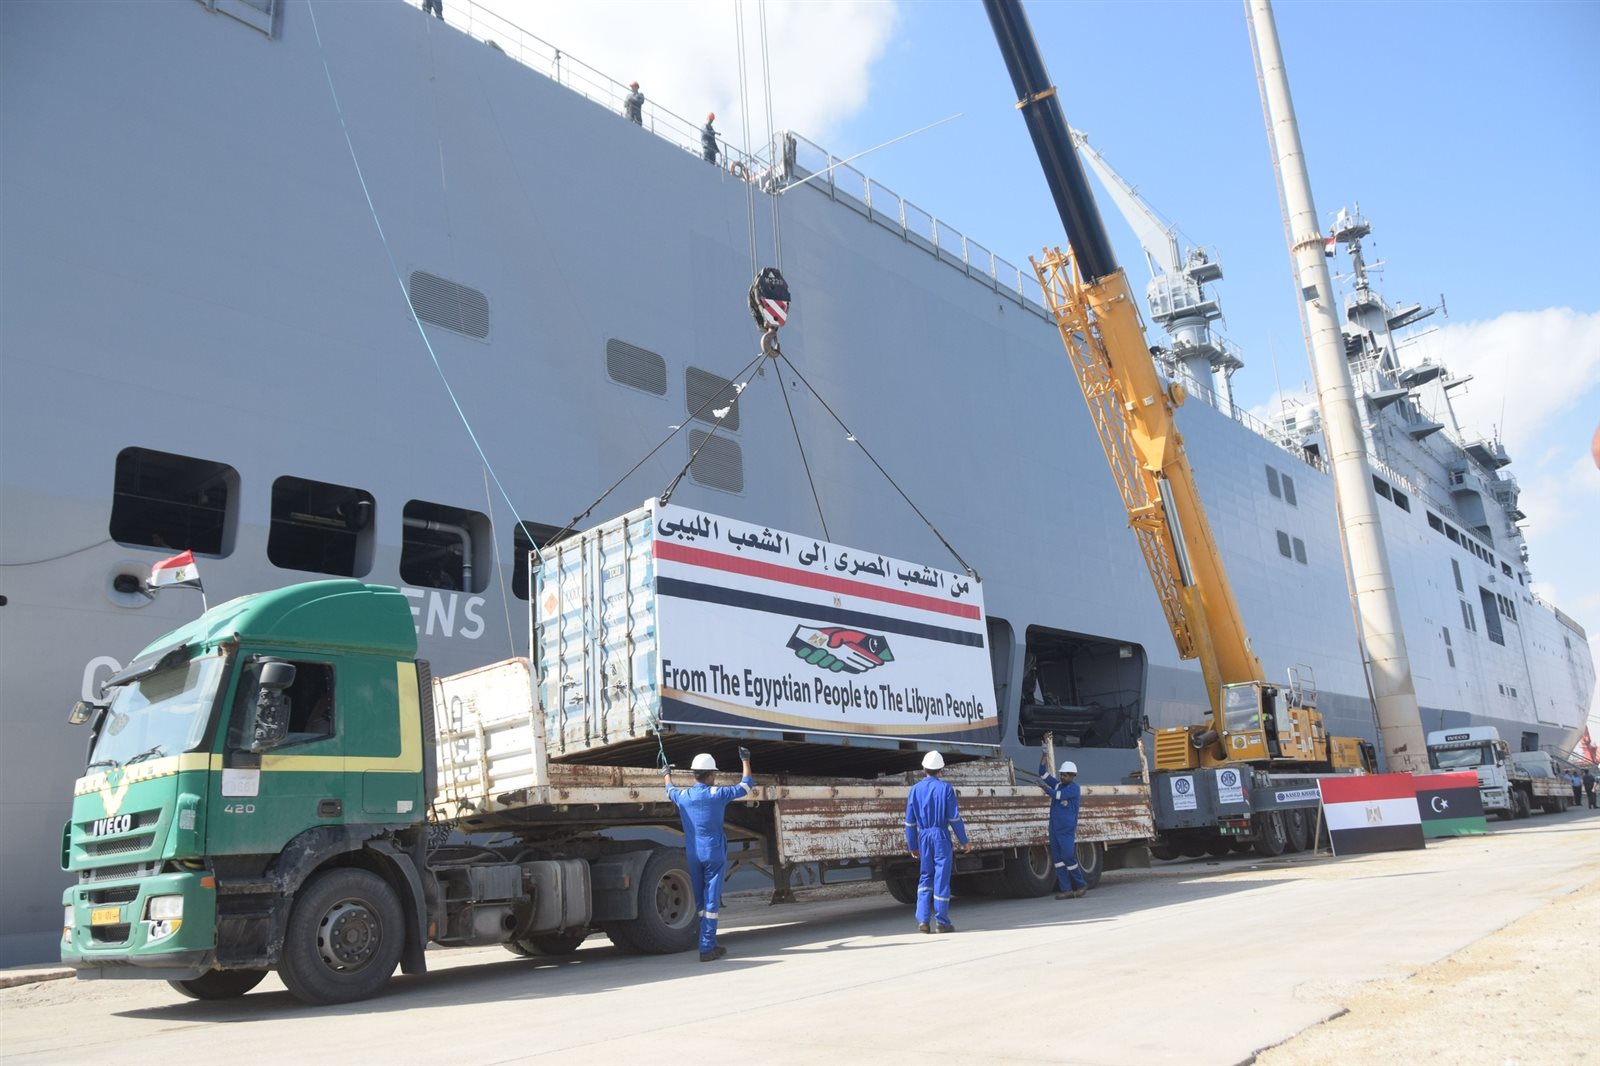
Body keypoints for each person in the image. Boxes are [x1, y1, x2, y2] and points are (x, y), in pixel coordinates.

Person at [664, 748, 753, 962]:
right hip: (713, 852)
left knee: (701, 901)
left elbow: (669, 789)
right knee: (712, 900)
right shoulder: (717, 794)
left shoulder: (684, 796)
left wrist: (666, 774)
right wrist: (745, 760)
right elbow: (746, 785)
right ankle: (706, 948)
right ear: (711, 774)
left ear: (694, 774)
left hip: (693, 853)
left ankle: (710, 943)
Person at [904, 750, 971, 934]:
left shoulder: (914, 790)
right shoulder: (946, 789)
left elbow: (909, 822)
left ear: (923, 768)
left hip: (923, 836)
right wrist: (964, 840)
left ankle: (923, 921)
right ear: (941, 769)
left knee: (926, 876)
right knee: (941, 876)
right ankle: (942, 922)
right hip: (940, 835)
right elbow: (954, 818)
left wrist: (913, 845)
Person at [1038, 743, 1087, 899]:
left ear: (1072, 776)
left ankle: (1081, 884)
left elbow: (1058, 796)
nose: (1062, 777)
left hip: (1066, 829)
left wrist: (1046, 789)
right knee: (1058, 860)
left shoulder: (1074, 788)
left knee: (1068, 857)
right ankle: (1066, 889)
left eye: (1065, 775)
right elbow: (1042, 773)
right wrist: (1044, 754)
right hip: (1054, 828)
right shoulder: (1058, 784)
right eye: (1061, 774)